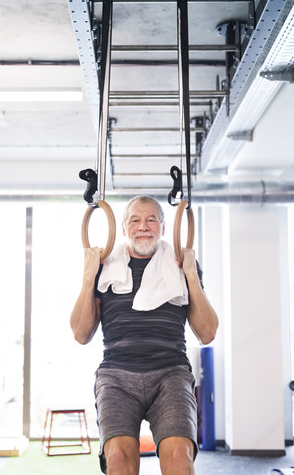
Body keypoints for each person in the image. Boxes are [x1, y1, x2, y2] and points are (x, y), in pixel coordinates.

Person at [70, 195, 218, 475]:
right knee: (118, 458)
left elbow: (208, 332)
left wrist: (191, 275)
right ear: (123, 229)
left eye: (151, 219)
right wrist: (88, 277)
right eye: (135, 220)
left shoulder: (180, 266)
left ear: (163, 227)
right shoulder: (103, 268)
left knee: (179, 457)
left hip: (170, 374)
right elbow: (80, 333)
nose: (144, 226)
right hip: (117, 376)